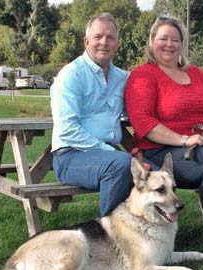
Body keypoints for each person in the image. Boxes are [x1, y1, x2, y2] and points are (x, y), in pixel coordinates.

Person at [124, 15, 203, 247]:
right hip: (162, 149)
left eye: (175, 39)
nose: (169, 44)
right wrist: (183, 139)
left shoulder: (195, 73)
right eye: (163, 38)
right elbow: (144, 123)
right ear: (152, 42)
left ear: (182, 44)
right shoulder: (143, 75)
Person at [50, 13, 133, 217]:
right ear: (86, 41)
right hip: (71, 156)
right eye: (98, 37)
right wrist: (110, 151)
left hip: (109, 153)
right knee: (122, 165)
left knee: (158, 170)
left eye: (110, 37)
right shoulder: (71, 75)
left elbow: (137, 111)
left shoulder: (122, 78)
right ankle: (109, 236)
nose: (104, 42)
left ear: (117, 44)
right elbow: (67, 130)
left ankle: (149, 235)